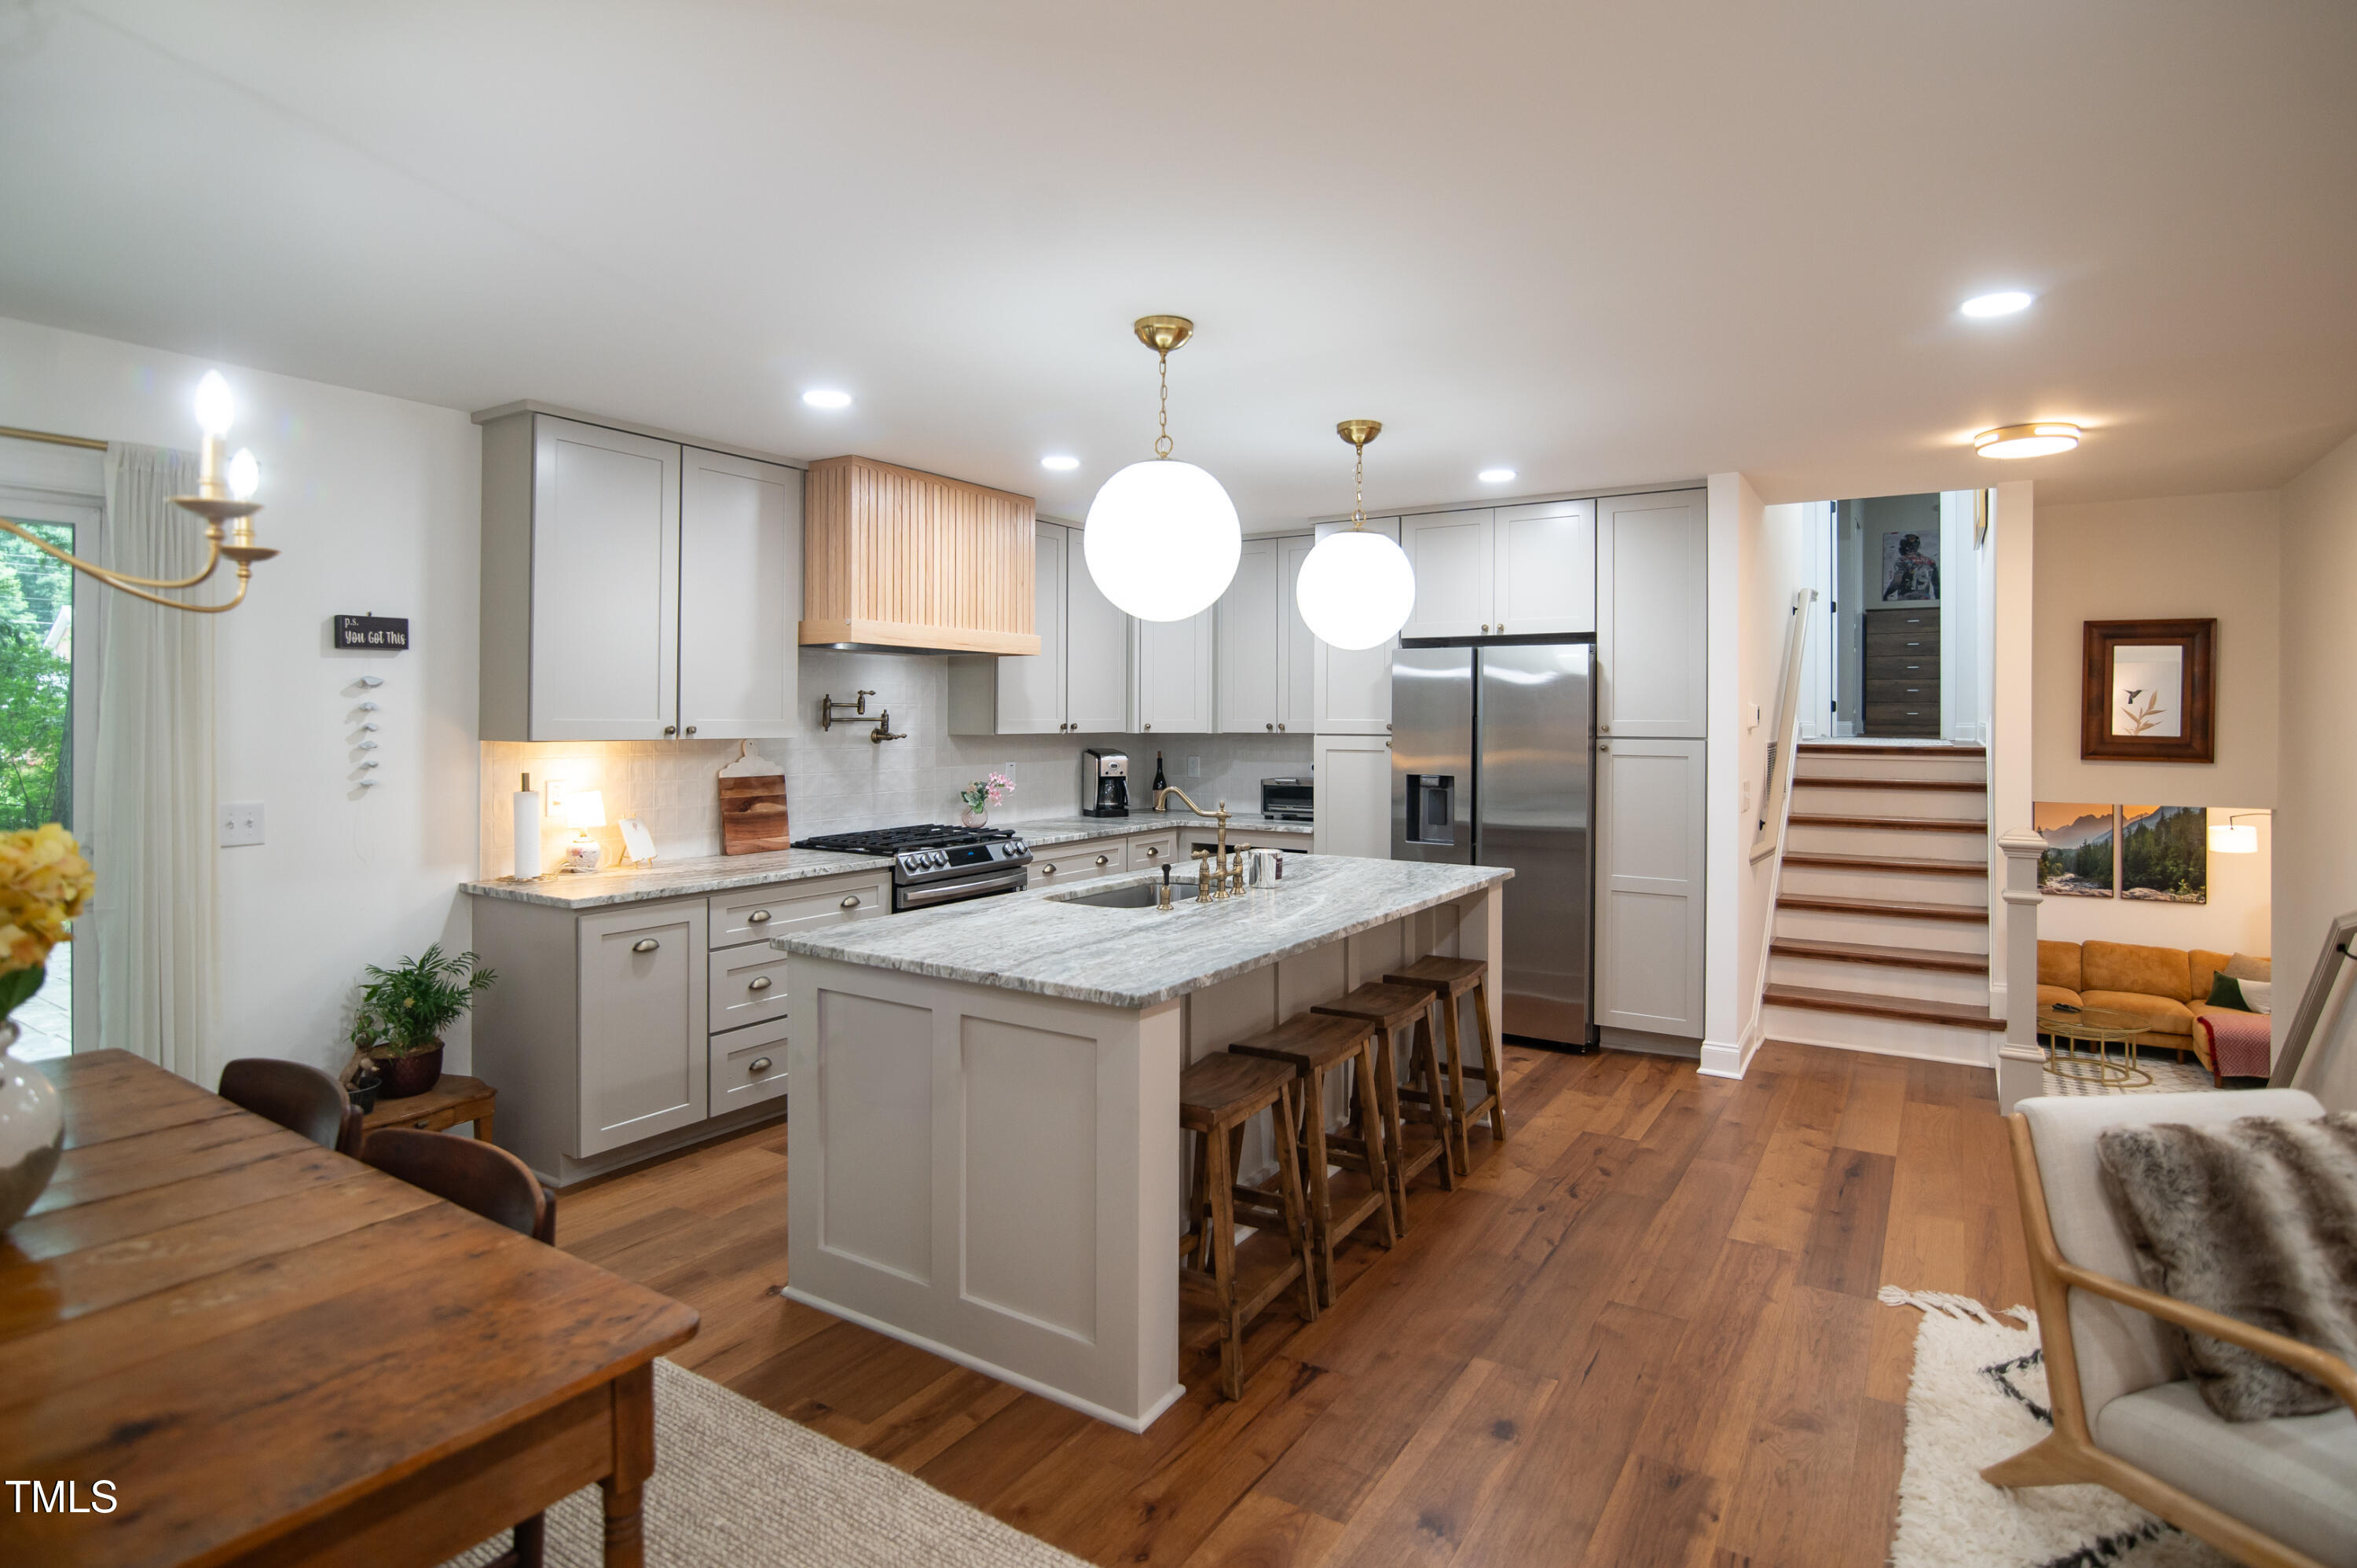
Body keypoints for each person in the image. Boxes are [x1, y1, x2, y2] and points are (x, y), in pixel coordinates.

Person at [1883, 532, 1938, 601]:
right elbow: (1937, 586)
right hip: (1924, 600)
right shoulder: (1930, 561)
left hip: (1906, 599)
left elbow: (1897, 582)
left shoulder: (1902, 560)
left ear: (1904, 546)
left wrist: (1886, 595)